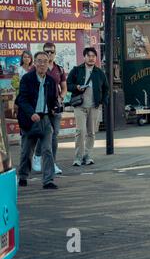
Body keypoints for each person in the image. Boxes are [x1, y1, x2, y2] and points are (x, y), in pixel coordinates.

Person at [16, 52, 59, 190]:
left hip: (45, 119)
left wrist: (54, 108)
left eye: (45, 61)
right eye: (39, 61)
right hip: (30, 120)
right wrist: (31, 113)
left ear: (48, 63)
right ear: (34, 63)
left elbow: (53, 100)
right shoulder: (27, 79)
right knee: (26, 151)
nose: (42, 64)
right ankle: (22, 176)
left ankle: (48, 180)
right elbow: (22, 99)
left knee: (47, 150)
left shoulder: (51, 81)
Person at [67, 47, 109, 166]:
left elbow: (106, 88)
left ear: (96, 58)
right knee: (80, 131)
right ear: (84, 57)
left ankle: (88, 155)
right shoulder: (76, 70)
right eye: (89, 56)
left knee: (91, 132)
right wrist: (76, 87)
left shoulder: (99, 72)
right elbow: (68, 84)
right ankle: (78, 157)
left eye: (93, 56)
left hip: (94, 106)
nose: (91, 58)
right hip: (80, 106)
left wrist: (102, 101)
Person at [32, 42, 67, 175]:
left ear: (55, 53)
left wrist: (61, 98)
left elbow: (64, 88)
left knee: (54, 135)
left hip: (55, 107)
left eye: (52, 51)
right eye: (47, 51)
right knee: (44, 134)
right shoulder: (37, 68)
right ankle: (37, 156)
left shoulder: (60, 69)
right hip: (41, 108)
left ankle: (52, 163)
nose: (50, 53)